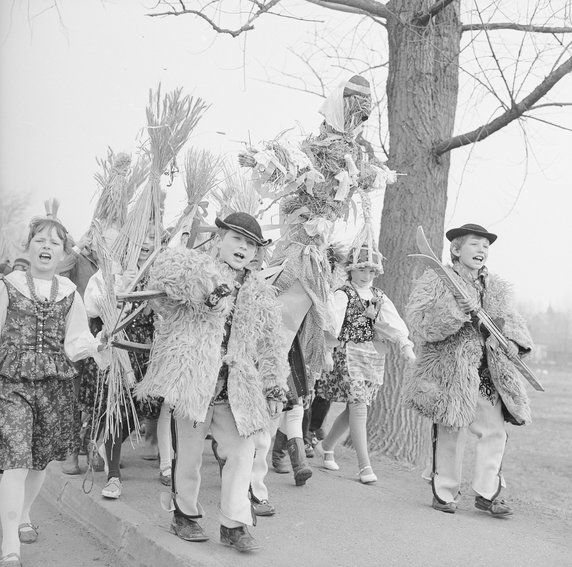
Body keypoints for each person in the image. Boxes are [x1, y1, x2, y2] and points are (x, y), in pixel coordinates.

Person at [135, 211, 289, 553]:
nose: (243, 248)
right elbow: (163, 282)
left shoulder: (259, 291)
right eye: (237, 239)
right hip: (194, 379)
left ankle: (234, 524)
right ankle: (184, 515)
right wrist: (208, 288)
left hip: (235, 386)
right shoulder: (193, 267)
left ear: (255, 253)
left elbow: (272, 342)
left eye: (250, 244)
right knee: (187, 452)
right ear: (219, 239)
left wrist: (275, 384)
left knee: (241, 451)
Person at [0, 205, 108, 567]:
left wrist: (97, 345)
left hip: (54, 384)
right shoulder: (7, 287)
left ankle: (26, 513)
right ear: (29, 247)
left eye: (55, 242)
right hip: (11, 383)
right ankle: (9, 542)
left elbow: (75, 341)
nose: (46, 246)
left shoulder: (69, 292)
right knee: (15, 460)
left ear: (63, 254)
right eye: (40, 240)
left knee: (39, 461)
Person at [403, 223, 533, 516]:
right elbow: (420, 324)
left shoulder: (496, 287)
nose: (482, 250)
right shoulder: (436, 280)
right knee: (452, 430)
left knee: (495, 432)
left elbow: (511, 322)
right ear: (457, 249)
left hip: (489, 372)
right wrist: (457, 311)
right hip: (452, 370)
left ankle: (488, 493)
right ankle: (445, 492)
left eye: (486, 246)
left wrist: (514, 342)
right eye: (475, 244)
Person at [316, 246, 415, 483]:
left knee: (357, 406)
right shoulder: (343, 294)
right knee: (359, 405)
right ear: (351, 269)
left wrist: (405, 345)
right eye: (361, 269)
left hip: (371, 355)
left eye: (371, 271)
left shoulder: (379, 296)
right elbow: (332, 323)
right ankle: (364, 466)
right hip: (348, 352)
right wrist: (327, 351)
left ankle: (327, 445)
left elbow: (392, 323)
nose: (366, 275)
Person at [84, 225, 163, 499]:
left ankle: (103, 442)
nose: (147, 243)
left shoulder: (161, 272)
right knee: (117, 409)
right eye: (143, 236)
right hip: (121, 351)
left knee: (141, 410)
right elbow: (93, 307)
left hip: (151, 351)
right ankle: (113, 475)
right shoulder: (114, 270)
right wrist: (120, 285)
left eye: (153, 238)